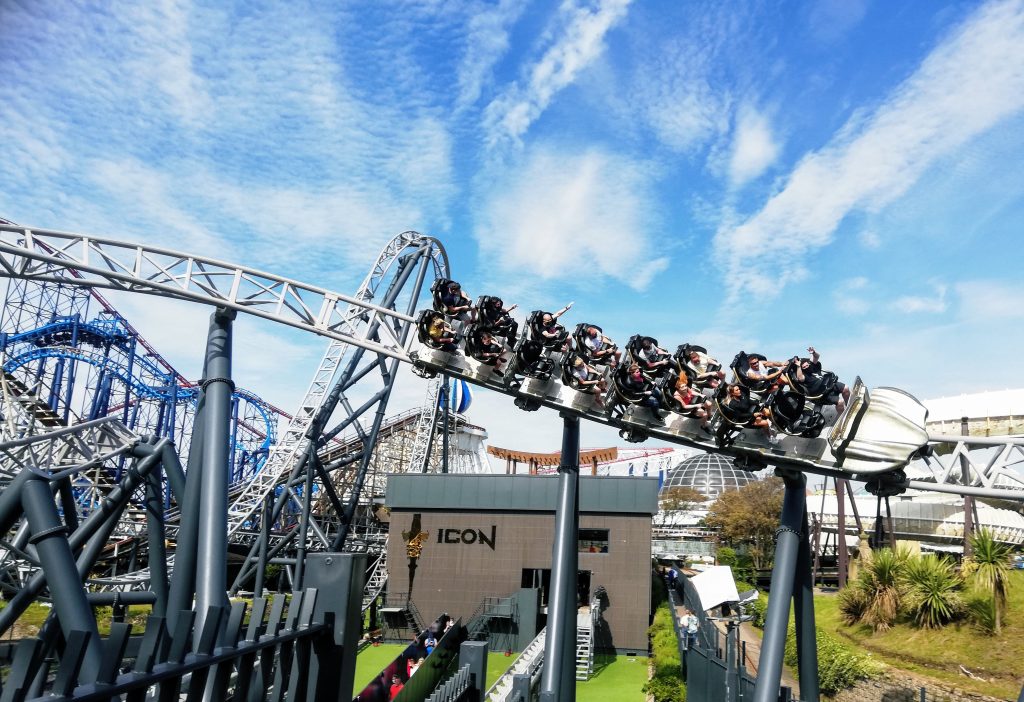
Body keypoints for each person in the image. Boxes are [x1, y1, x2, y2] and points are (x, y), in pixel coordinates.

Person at [794, 346, 851, 412]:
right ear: (802, 369)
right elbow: (800, 378)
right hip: (822, 394)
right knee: (840, 402)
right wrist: (798, 366)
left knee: (846, 388)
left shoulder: (812, 366)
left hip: (829, 384)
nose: (806, 367)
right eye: (804, 367)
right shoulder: (803, 375)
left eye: (807, 365)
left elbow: (816, 357)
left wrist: (814, 352)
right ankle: (843, 416)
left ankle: (849, 407)